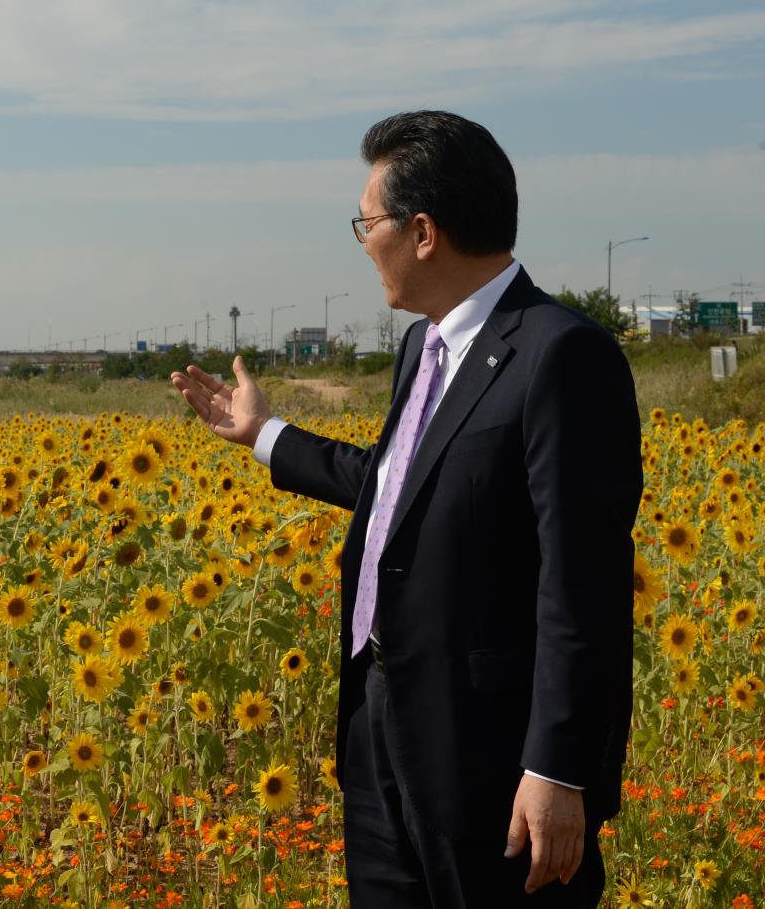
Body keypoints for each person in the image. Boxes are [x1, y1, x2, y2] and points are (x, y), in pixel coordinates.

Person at [171, 111, 640, 907]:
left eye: (369, 222)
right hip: (382, 718)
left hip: (491, 752)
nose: (363, 242)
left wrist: (558, 766)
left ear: (423, 231)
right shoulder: (423, 347)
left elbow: (583, 582)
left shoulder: (559, 354)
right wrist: (262, 435)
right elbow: (398, 485)